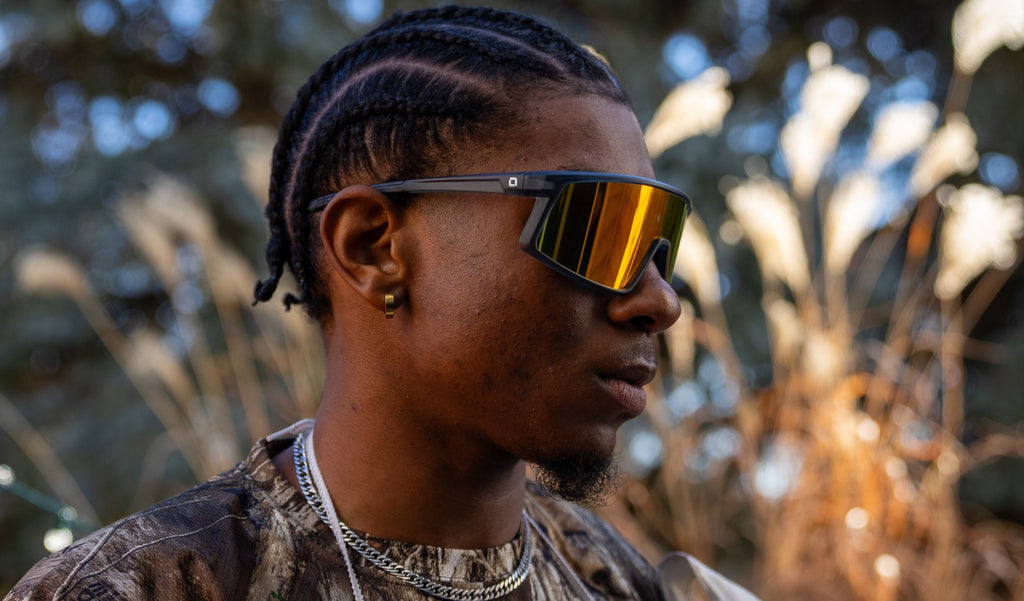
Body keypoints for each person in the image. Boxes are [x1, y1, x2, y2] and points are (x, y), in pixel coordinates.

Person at [6, 5, 713, 600]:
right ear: (374, 247)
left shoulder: (611, 576)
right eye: (599, 227)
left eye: (661, 241)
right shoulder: (148, 585)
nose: (660, 299)